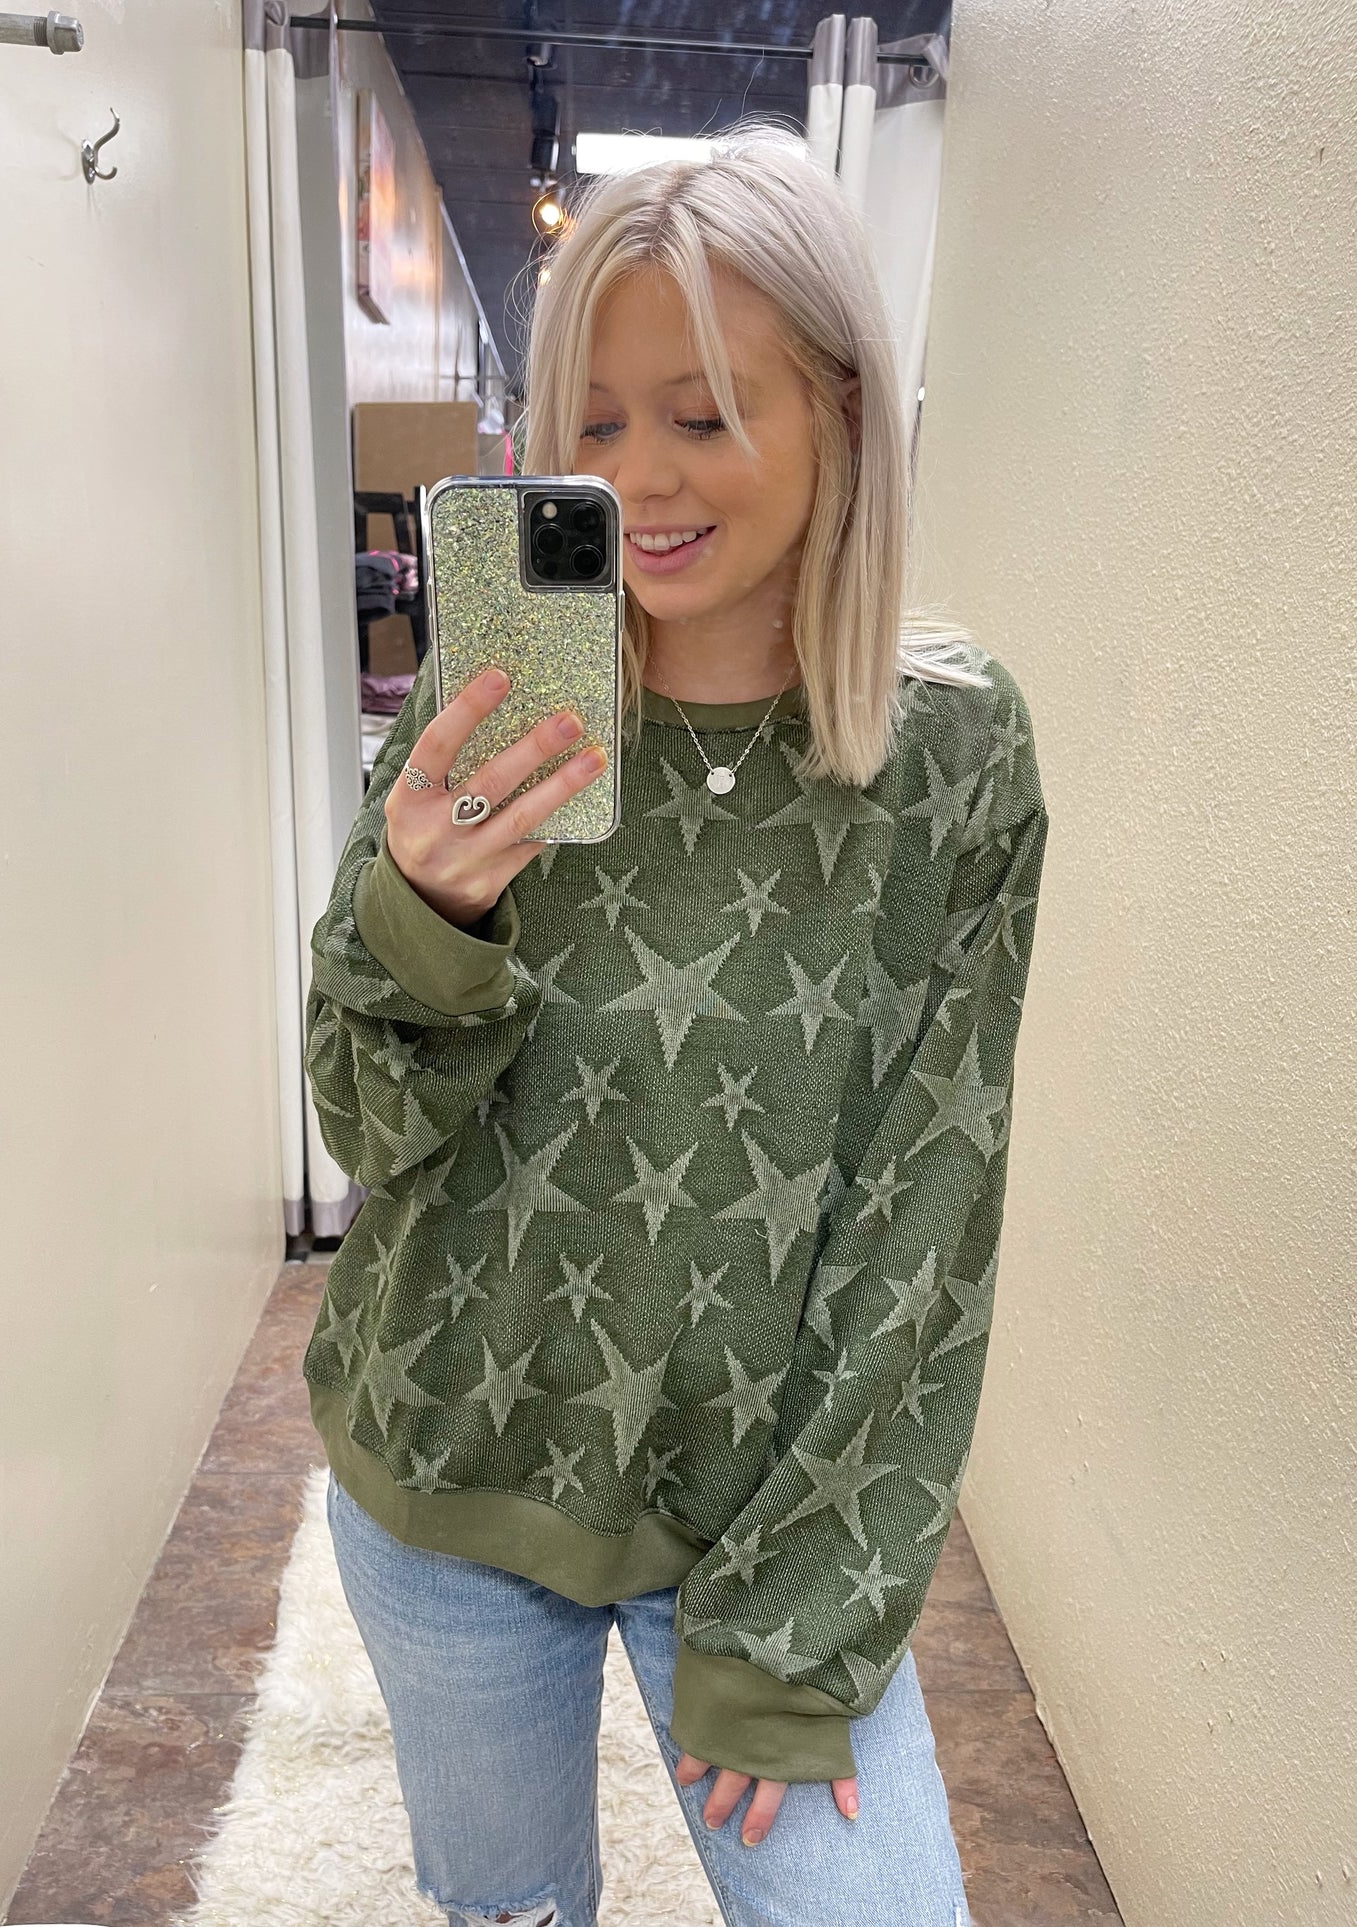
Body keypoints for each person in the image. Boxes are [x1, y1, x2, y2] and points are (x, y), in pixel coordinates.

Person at [303, 120, 1049, 1927]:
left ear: (842, 415)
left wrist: (802, 1622)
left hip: (758, 1516)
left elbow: (925, 1218)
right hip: (445, 1469)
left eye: (704, 415)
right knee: (508, 1915)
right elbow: (362, 1123)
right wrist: (427, 916)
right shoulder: (491, 708)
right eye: (592, 423)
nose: (637, 479)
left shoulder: (953, 756)